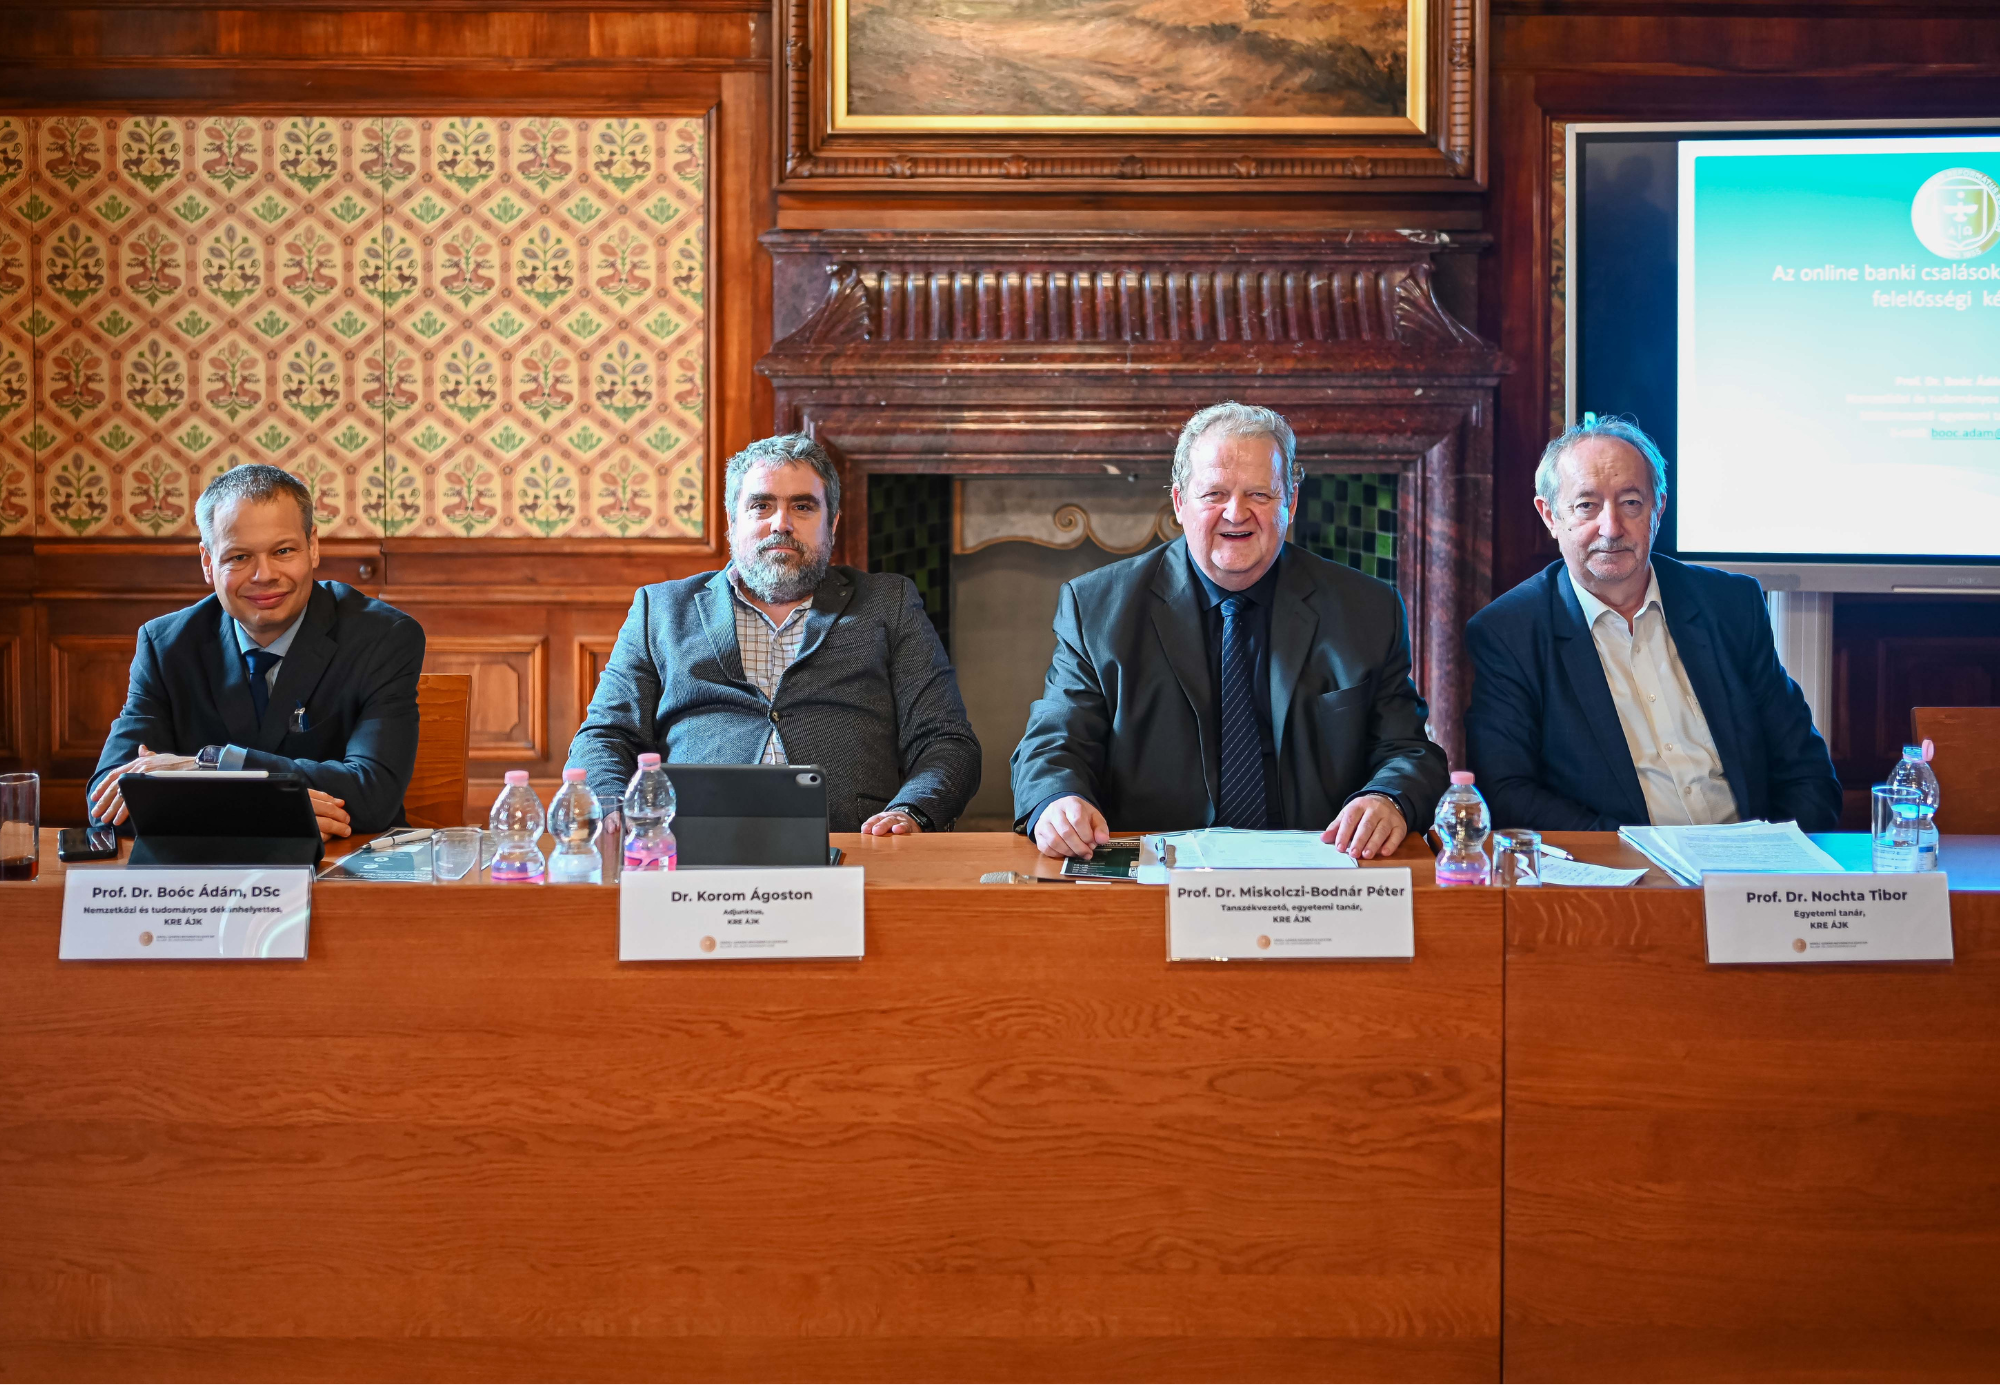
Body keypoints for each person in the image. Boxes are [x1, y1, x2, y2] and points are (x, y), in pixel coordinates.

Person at [1010, 402, 1449, 860]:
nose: (1236, 513)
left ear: (1291, 503)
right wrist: (1057, 801)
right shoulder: (1097, 608)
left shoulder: (1367, 610)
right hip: (1156, 867)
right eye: (1214, 494)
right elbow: (1052, 743)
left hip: (1314, 869)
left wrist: (1387, 799)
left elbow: (1410, 751)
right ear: (1179, 502)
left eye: (1259, 494)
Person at [568, 433, 980, 835]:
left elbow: (945, 740)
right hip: (691, 845)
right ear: (732, 520)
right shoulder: (660, 609)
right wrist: (613, 808)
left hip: (855, 845)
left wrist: (912, 811)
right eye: (761, 505)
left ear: (832, 523)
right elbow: (606, 736)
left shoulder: (889, 603)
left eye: (802, 506)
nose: (781, 524)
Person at [1464, 417, 1840, 831]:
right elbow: (1508, 792)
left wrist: (1778, 855)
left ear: (1657, 508)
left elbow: (1805, 770)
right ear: (1550, 515)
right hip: (1619, 863)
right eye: (1586, 506)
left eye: (1630, 503)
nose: (1611, 528)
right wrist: (1634, 854)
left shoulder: (1730, 605)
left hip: (1750, 859)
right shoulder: (1510, 632)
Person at [87, 464, 426, 841]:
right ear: (208, 561)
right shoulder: (165, 644)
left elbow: (372, 796)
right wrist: (270, 812)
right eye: (239, 557)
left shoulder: (383, 637)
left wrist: (208, 766)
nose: (264, 575)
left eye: (283, 550)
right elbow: (107, 802)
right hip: (208, 873)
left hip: (345, 867)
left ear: (313, 546)